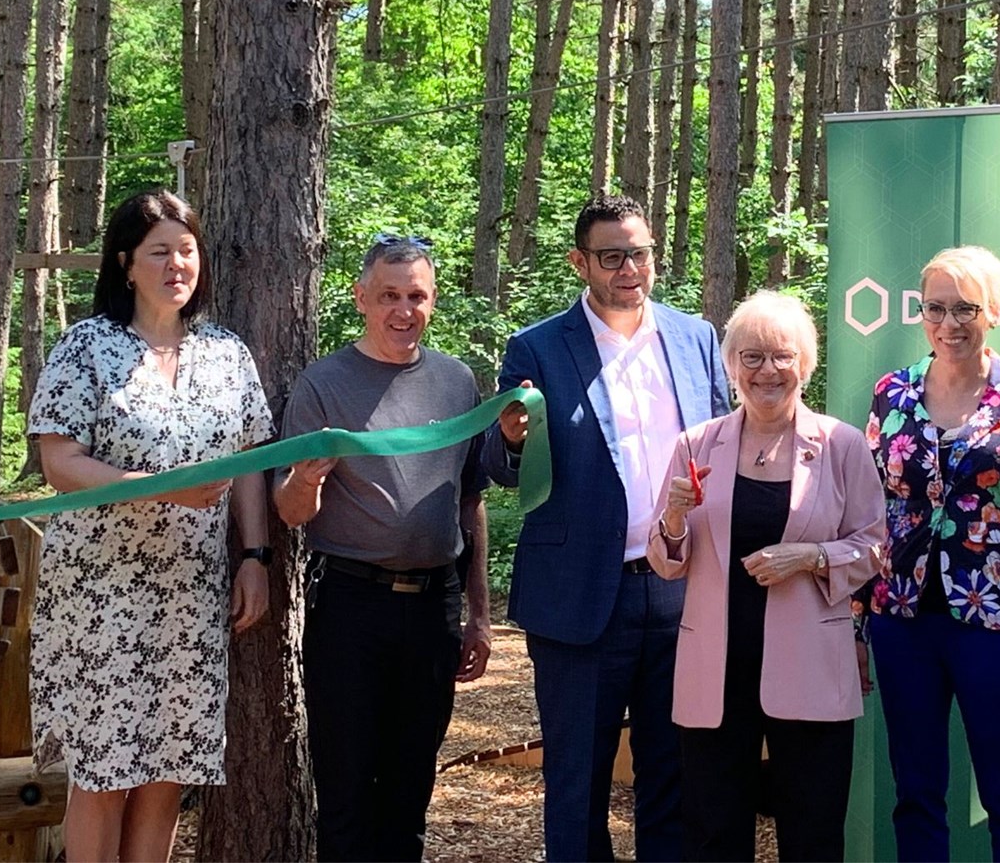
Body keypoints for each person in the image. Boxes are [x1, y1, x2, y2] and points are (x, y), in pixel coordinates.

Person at [27, 188, 273, 862]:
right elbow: (59, 462)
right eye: (159, 251)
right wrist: (160, 491)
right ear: (125, 263)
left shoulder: (228, 354)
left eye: (187, 251)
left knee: (167, 770)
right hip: (100, 594)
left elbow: (252, 459)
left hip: (189, 595)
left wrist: (255, 555)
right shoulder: (86, 347)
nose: (176, 265)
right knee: (104, 773)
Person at [486, 195, 730, 862]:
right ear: (579, 263)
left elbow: (723, 447)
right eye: (612, 256)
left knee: (672, 775)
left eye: (640, 253)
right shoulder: (536, 347)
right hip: (580, 598)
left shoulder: (695, 338)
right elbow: (501, 467)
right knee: (577, 782)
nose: (629, 269)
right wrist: (511, 440)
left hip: (680, 589)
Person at [272, 234, 492, 862]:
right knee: (344, 793)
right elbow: (289, 511)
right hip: (349, 605)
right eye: (389, 296)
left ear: (433, 299)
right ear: (360, 297)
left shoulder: (455, 382)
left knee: (409, 793)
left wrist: (477, 618)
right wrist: (310, 474)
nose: (403, 310)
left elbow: (468, 504)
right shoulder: (324, 384)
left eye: (416, 296)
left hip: (433, 608)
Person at [649, 291, 884, 862]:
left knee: (812, 832)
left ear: (804, 363)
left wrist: (808, 557)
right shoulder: (695, 445)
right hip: (716, 672)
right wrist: (675, 518)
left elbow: (875, 547)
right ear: (731, 367)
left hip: (810, 668)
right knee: (712, 833)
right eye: (750, 357)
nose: (766, 371)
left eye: (781, 356)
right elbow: (664, 558)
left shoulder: (842, 445)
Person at [862, 245, 1000, 861]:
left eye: (965, 308)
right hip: (900, 618)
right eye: (935, 308)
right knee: (916, 791)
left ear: (995, 311)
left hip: (993, 619)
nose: (949, 324)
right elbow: (868, 505)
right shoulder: (891, 394)